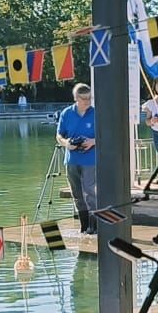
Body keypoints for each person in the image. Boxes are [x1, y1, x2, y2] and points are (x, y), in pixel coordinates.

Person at [58, 83, 100, 232]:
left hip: (90, 160)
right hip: (72, 160)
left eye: (89, 98)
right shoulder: (66, 113)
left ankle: (94, 226)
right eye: (84, 99)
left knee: (89, 192)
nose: (87, 102)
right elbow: (59, 135)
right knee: (77, 194)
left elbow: (106, 134)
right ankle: (84, 226)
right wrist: (67, 143)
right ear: (76, 98)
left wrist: (93, 141)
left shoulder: (96, 113)